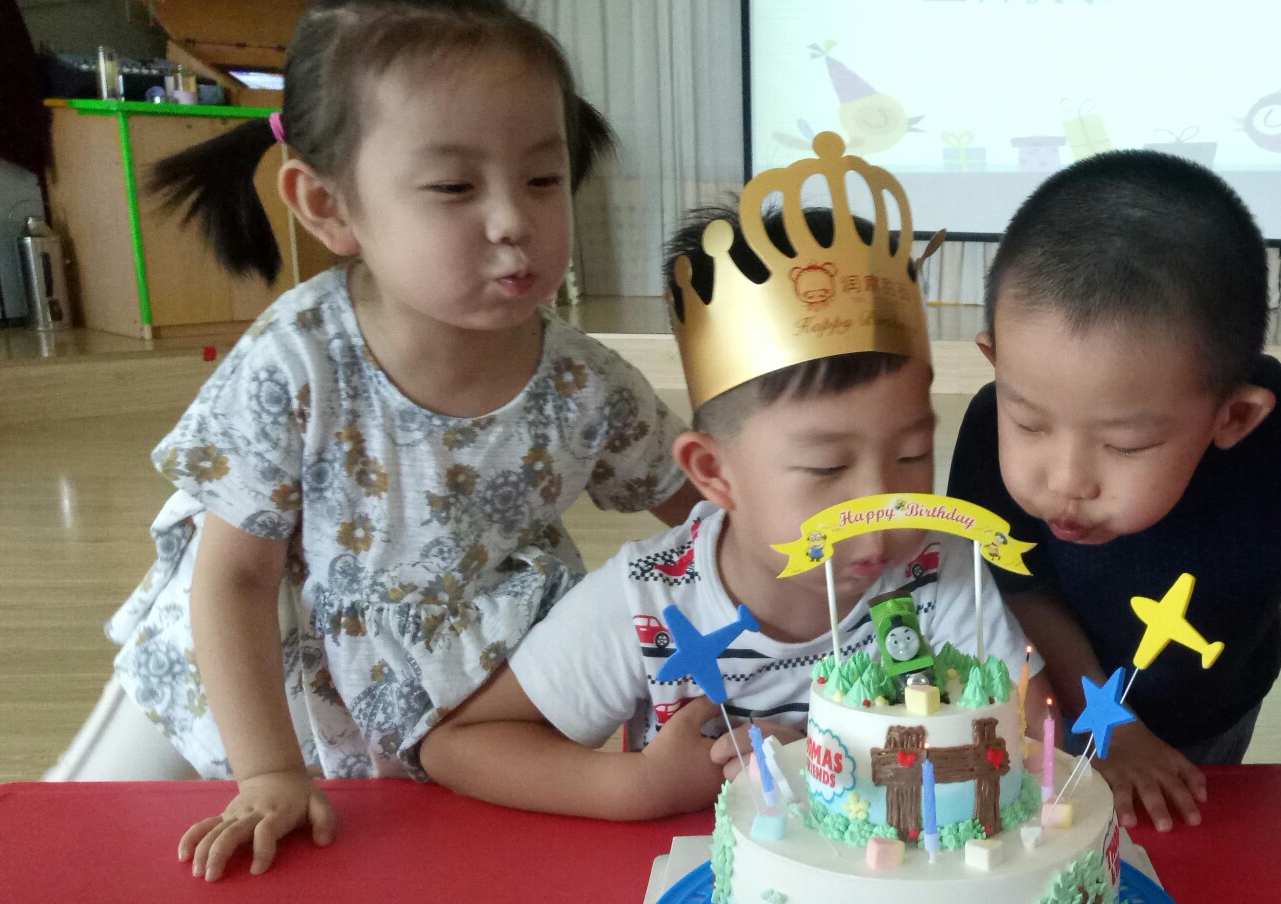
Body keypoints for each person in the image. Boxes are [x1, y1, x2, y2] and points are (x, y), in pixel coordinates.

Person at [48, 0, 696, 883]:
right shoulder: (296, 363)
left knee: (419, 886)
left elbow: (707, 511)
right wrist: (266, 773)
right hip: (261, 684)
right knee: (99, 852)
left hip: (469, 702)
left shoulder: (587, 385)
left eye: (543, 179)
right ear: (328, 206)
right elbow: (234, 581)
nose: (513, 219)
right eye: (455, 188)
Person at [421, 188, 1049, 818]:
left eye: (912, 455)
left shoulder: (937, 575)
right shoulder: (649, 602)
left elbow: (1030, 737)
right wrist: (642, 784)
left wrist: (828, 762)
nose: (880, 508)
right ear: (714, 473)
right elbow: (458, 746)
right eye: (827, 468)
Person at [946, 150, 1281, 834]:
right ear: (996, 361)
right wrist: (1109, 727)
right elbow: (1019, 591)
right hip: (1063, 707)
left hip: (1219, 708)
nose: (1066, 481)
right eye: (1029, 423)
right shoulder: (985, 427)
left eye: (1125, 445)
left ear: (1234, 417)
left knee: (1188, 840)